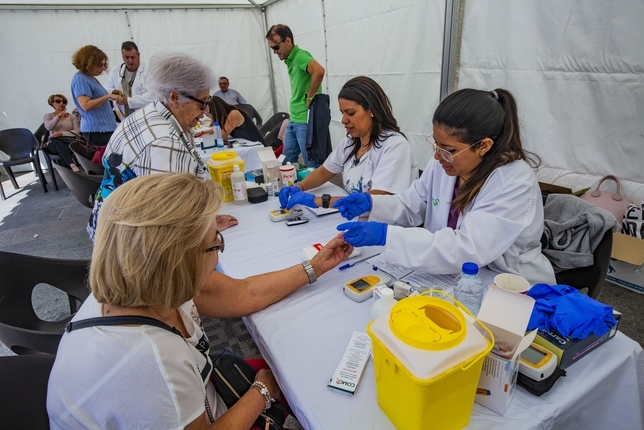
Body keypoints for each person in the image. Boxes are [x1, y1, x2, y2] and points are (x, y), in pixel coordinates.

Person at [48, 172, 353, 429]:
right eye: (214, 244)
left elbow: (245, 293)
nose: (220, 252)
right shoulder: (153, 359)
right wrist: (262, 390)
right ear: (179, 262)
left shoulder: (147, 286)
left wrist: (316, 265)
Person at [333, 88, 556, 286]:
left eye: (447, 148)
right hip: (449, 275)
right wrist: (372, 204)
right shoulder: (446, 163)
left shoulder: (513, 181)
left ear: (484, 146)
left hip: (507, 283)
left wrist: (386, 236)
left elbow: (468, 249)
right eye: (436, 144)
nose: (437, 156)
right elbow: (413, 202)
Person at [86, 51, 238, 242]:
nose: (206, 111)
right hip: (127, 243)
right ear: (175, 98)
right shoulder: (164, 143)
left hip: (112, 229)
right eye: (203, 103)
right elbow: (171, 223)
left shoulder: (150, 113)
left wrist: (208, 221)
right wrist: (206, 231)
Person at [278, 76, 417, 210]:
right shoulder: (351, 142)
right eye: (342, 113)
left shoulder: (395, 146)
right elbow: (324, 171)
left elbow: (376, 199)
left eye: (350, 113)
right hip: (358, 218)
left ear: (372, 111)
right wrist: (299, 187)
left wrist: (318, 201)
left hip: (383, 228)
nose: (343, 120)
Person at [266, 24, 325, 167]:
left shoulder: (300, 56)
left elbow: (319, 71)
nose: (274, 52)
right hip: (294, 119)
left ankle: (315, 188)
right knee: (286, 161)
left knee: (311, 163)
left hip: (305, 121)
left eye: (276, 47)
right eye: (272, 48)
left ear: (288, 41)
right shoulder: (290, 60)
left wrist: (310, 96)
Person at [70, 45, 121, 146]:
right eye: (99, 65)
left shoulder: (91, 78)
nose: (102, 68)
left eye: (104, 65)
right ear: (89, 63)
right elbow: (86, 105)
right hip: (96, 131)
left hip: (106, 129)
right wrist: (107, 96)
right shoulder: (81, 78)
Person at [103, 41, 153, 117]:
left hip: (144, 115)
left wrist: (128, 101)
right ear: (122, 56)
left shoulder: (149, 71)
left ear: (138, 55)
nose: (129, 60)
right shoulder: (116, 70)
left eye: (132, 57)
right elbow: (105, 88)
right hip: (125, 116)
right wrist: (112, 91)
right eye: (126, 57)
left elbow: (153, 95)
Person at [195, 96, 265, 145]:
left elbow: (221, 136)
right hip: (248, 144)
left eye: (209, 113)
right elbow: (218, 128)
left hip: (258, 147)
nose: (209, 115)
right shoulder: (227, 115)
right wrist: (202, 132)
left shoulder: (233, 114)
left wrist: (207, 136)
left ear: (215, 110)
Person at [42, 94, 81, 172]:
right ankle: (72, 164)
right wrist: (58, 117)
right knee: (58, 143)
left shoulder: (72, 116)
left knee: (64, 149)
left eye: (64, 102)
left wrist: (61, 133)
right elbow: (49, 127)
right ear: (52, 103)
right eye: (58, 101)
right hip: (53, 144)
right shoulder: (48, 116)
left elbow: (77, 132)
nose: (61, 103)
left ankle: (69, 171)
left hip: (68, 142)